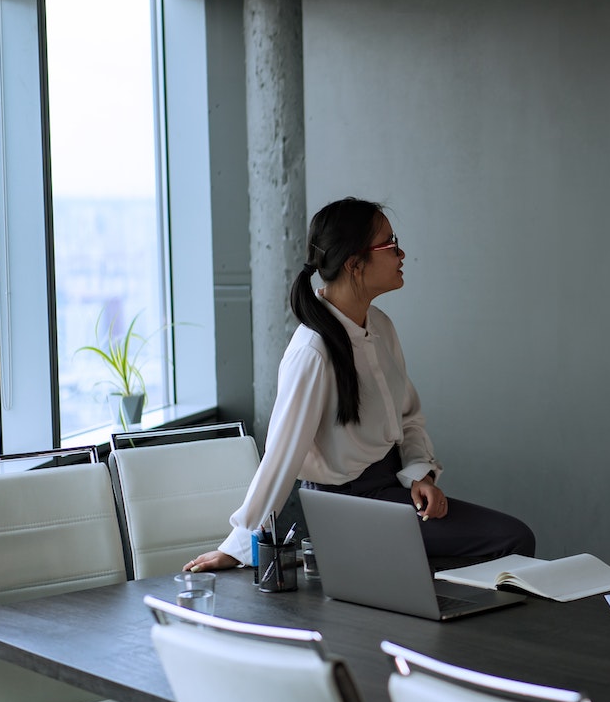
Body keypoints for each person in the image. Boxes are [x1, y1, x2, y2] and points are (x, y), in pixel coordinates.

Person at [185, 197, 535, 572]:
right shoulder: (313, 352)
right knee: (513, 540)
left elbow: (409, 419)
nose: (402, 253)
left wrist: (420, 474)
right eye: (390, 244)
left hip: (390, 491)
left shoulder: (380, 326)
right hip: (347, 506)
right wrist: (240, 544)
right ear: (354, 264)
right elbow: (281, 457)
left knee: (508, 542)